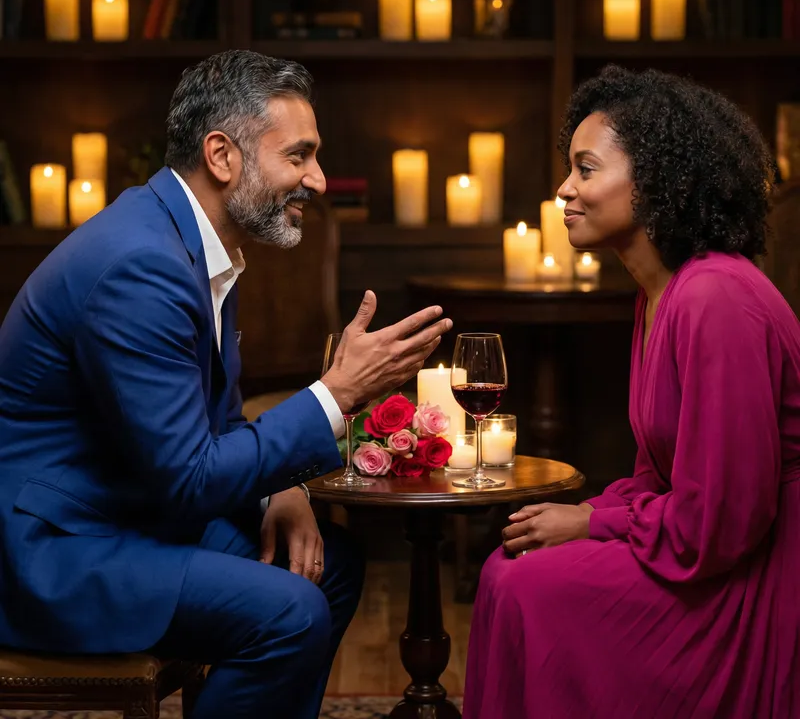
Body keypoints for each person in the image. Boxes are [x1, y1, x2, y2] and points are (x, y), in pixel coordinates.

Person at [0, 50, 452, 719]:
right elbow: (187, 477)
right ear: (221, 156)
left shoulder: (198, 244)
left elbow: (216, 421)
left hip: (126, 509)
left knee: (330, 564)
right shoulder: (142, 266)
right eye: (299, 156)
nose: (318, 179)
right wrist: (336, 395)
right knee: (291, 611)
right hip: (56, 551)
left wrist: (279, 490)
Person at [463, 64, 800, 718]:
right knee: (510, 568)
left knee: (525, 586)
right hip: (705, 542)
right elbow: (660, 478)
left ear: (655, 181)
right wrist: (594, 518)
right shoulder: (659, 294)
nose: (564, 188)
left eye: (585, 170)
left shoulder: (715, 296)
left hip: (757, 573)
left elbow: (726, 519)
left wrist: (593, 522)